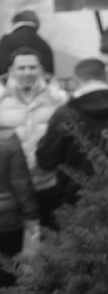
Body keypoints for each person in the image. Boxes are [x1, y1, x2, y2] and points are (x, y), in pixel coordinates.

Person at [36, 58, 108, 210]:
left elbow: (46, 160)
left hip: (78, 200)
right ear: (106, 77)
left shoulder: (65, 114)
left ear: (75, 81)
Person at [0, 46, 69, 224]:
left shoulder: (58, 99)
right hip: (10, 189)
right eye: (21, 68)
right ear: (11, 70)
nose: (27, 72)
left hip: (49, 182)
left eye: (32, 67)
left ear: (41, 69)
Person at [0, 126, 41, 294]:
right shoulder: (9, 141)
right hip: (7, 222)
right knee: (8, 271)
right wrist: (32, 217)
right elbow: (21, 184)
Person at [0, 10, 54, 76]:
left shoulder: (6, 40)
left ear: (15, 22)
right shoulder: (43, 44)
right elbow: (49, 74)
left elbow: (2, 68)